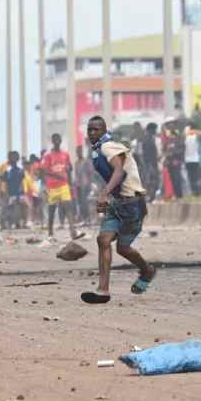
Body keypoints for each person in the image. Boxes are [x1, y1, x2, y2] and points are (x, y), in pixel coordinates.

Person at [81, 116, 155, 305]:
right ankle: (103, 291)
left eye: (96, 130)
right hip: (118, 202)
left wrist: (104, 193)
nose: (91, 133)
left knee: (123, 248)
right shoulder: (98, 150)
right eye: (89, 129)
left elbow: (119, 171)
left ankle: (147, 270)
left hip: (132, 204)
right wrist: (106, 197)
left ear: (104, 130)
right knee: (103, 239)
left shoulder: (108, 146)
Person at [41, 134, 81, 240]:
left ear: (61, 140)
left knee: (68, 206)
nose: (57, 141)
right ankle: (50, 233)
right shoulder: (48, 155)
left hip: (64, 185)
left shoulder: (65, 154)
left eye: (59, 139)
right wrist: (56, 175)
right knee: (52, 210)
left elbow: (69, 168)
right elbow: (44, 171)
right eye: (55, 139)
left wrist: (70, 183)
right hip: (52, 186)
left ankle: (73, 231)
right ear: (52, 141)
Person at [1, 151, 25, 230]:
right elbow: (4, 181)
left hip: (18, 192)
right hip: (10, 192)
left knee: (18, 208)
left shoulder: (20, 170)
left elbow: (22, 182)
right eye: (13, 157)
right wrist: (5, 191)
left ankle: (17, 223)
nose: (14, 159)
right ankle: (8, 224)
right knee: (10, 209)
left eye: (16, 157)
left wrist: (22, 193)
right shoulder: (7, 170)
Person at [73, 145, 94, 225]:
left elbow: (91, 173)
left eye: (80, 151)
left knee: (85, 202)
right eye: (77, 152)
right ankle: (84, 219)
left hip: (85, 185)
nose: (79, 153)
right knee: (80, 203)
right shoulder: (76, 163)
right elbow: (76, 174)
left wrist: (90, 183)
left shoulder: (86, 161)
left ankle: (87, 219)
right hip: (78, 185)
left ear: (82, 152)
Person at [141, 123, 160, 203]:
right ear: (150, 130)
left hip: (150, 164)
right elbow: (149, 154)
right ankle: (149, 198)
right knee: (151, 181)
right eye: (154, 129)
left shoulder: (148, 138)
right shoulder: (148, 139)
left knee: (151, 181)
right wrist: (152, 165)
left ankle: (150, 198)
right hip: (150, 164)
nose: (155, 131)